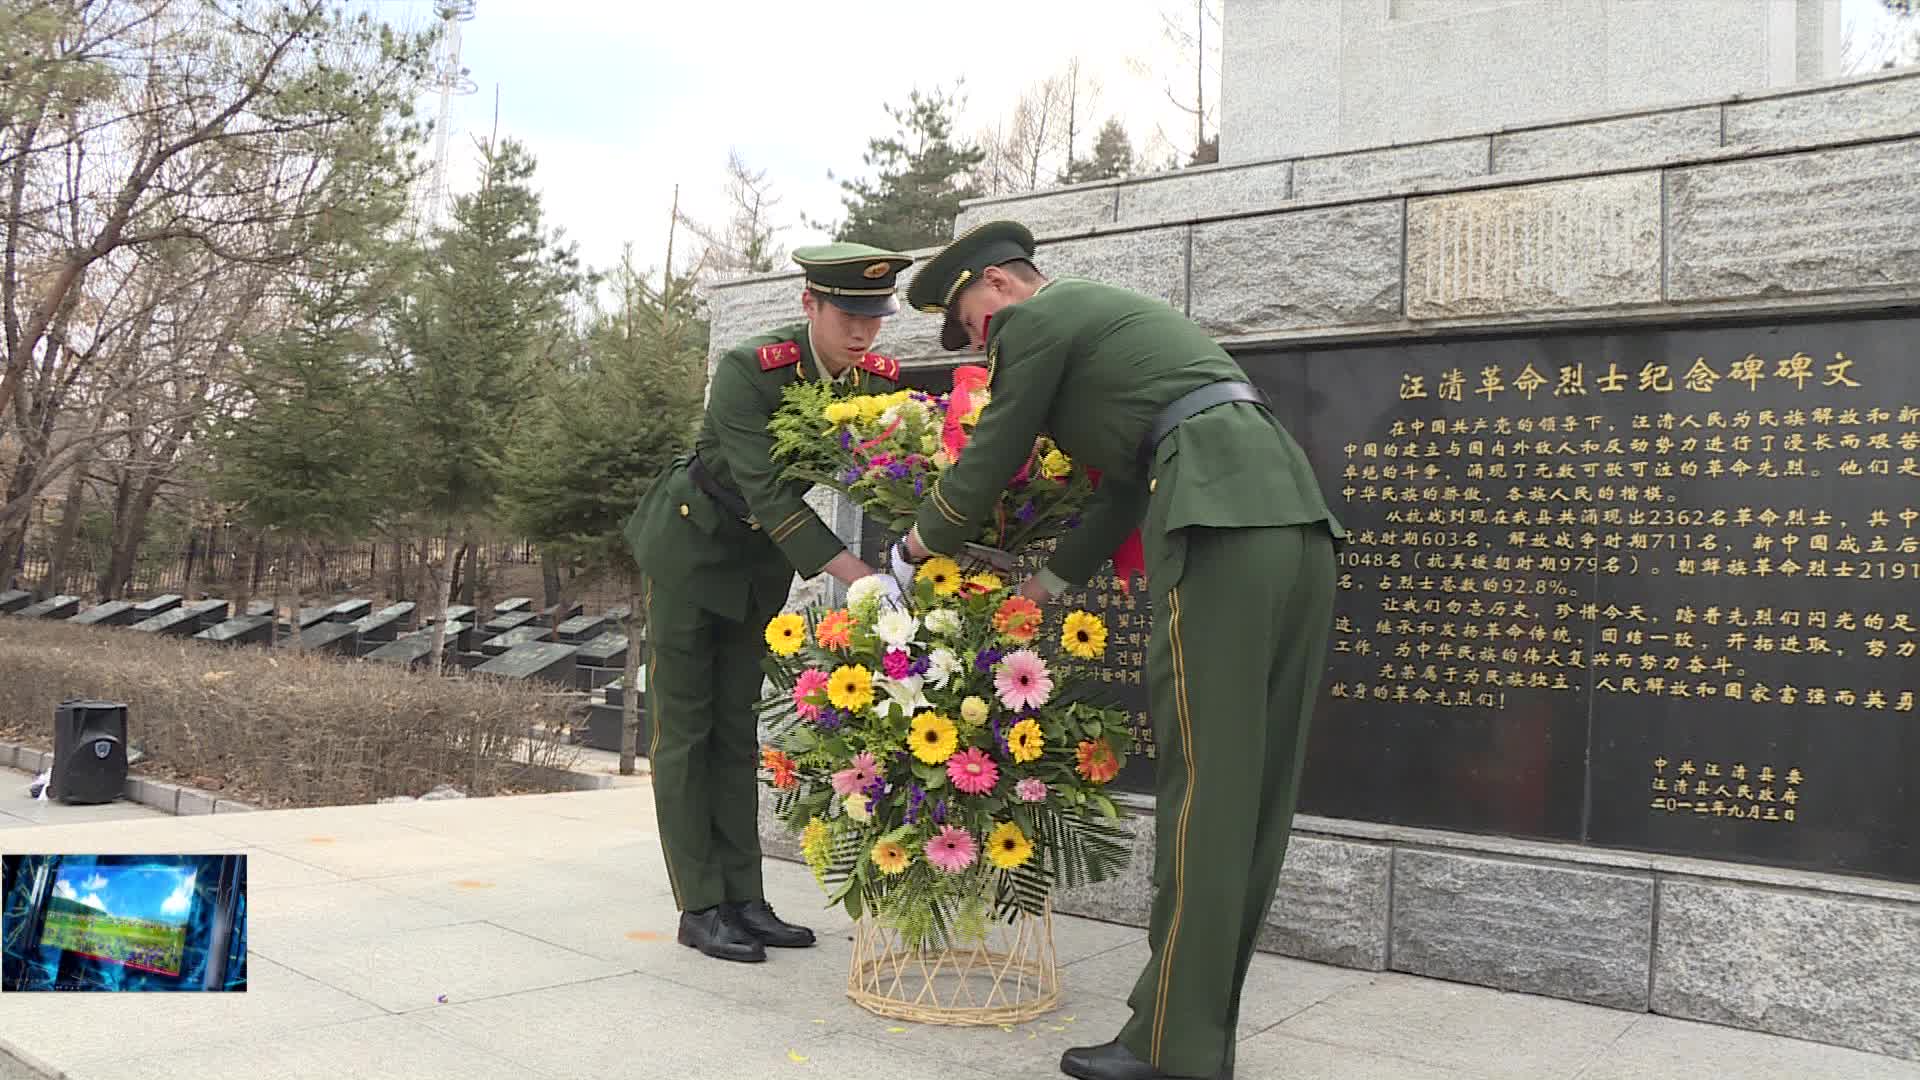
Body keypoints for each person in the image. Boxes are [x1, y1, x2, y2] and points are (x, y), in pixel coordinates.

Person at [891, 221, 1344, 1080]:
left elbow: (994, 448)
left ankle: (1175, 1050)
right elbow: (1122, 489)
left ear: (1001, 284)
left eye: (972, 319)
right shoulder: (1119, 331)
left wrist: (916, 545)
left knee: (1205, 792)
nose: (981, 345)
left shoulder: (1038, 318)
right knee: (1251, 793)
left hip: (1216, 521)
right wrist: (1045, 589)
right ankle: (1186, 1035)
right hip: (1293, 520)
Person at [625, 242, 913, 964]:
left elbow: (873, 472)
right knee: (686, 733)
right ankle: (700, 904)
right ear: (810, 304)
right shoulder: (749, 372)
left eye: (874, 317)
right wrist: (860, 576)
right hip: (691, 551)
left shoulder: (864, 380)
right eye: (848, 314)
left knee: (738, 728)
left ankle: (745, 898)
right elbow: (767, 491)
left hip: (755, 565)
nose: (862, 332)